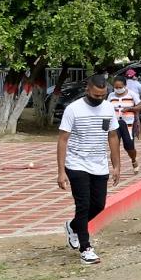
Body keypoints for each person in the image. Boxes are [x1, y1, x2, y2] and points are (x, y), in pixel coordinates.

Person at [57, 75, 121, 264]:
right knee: (83, 205)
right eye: (95, 95)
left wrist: (116, 165)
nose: (99, 98)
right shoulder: (73, 109)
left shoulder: (108, 108)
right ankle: (86, 249)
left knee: (98, 205)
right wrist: (61, 171)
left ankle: (73, 226)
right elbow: (62, 139)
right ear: (87, 90)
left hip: (99, 164)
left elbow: (113, 136)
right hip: (76, 163)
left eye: (102, 95)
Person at [107, 76, 141, 174]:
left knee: (129, 146)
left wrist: (130, 109)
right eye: (116, 87)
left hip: (128, 124)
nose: (118, 89)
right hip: (114, 124)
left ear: (125, 86)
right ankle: (116, 168)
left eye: (120, 87)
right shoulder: (111, 96)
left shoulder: (132, 94)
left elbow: (140, 106)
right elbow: (106, 107)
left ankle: (133, 159)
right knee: (114, 146)